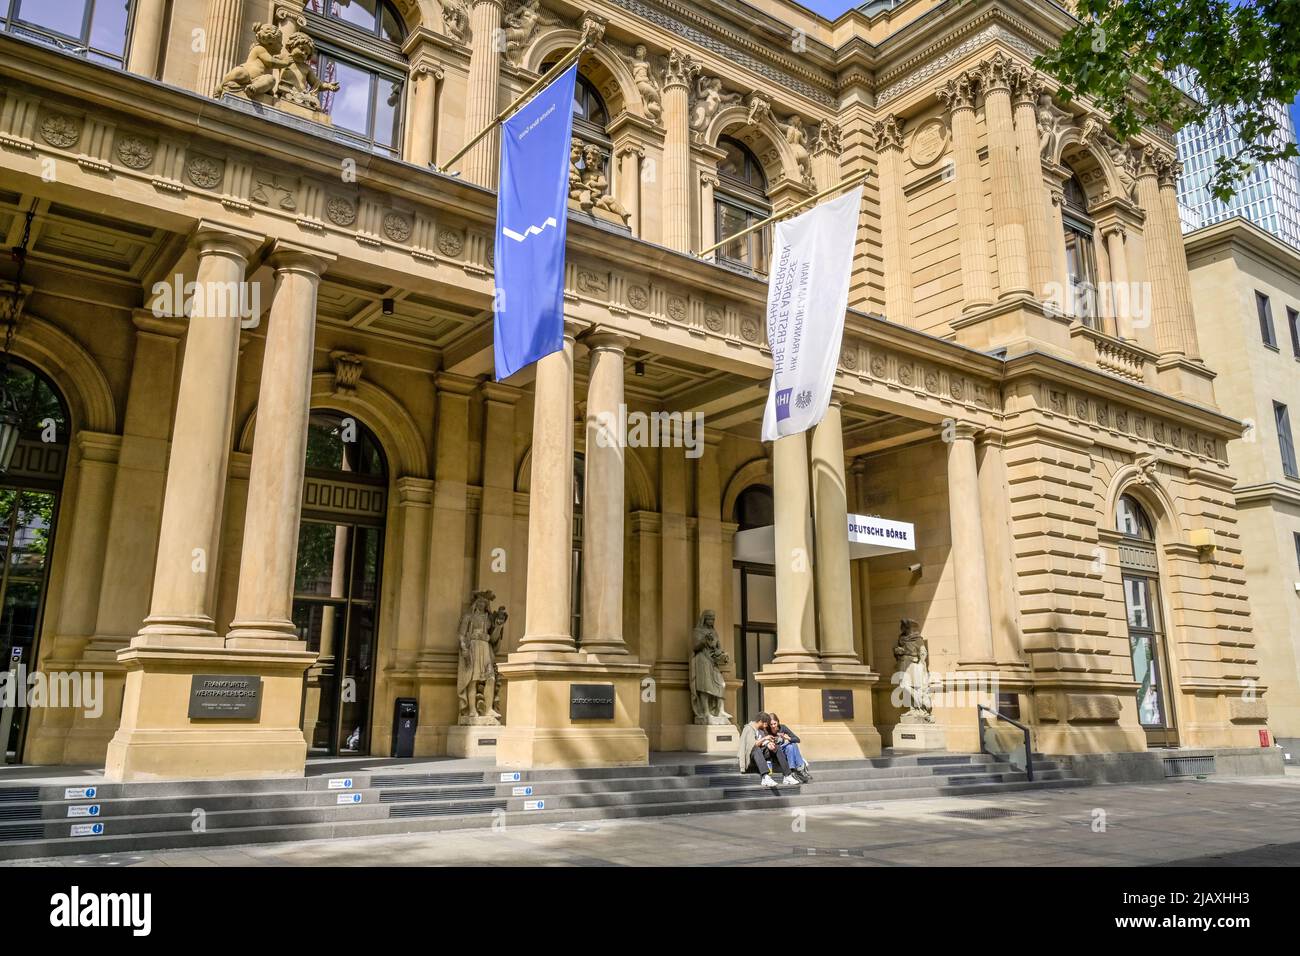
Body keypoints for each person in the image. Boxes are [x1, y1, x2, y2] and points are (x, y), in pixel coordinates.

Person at [737, 712, 799, 788]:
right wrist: (765, 738)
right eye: (766, 723)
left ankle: (787, 776)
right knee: (756, 749)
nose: (767, 726)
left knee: (776, 747)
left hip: (761, 755)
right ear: (760, 721)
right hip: (751, 756)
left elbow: (764, 742)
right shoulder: (749, 728)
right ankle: (765, 777)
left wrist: (769, 745)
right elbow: (753, 745)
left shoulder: (761, 730)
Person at [766, 713, 812, 783]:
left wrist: (788, 738)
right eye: (771, 724)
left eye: (774, 723)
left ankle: (793, 770)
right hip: (776, 756)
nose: (773, 726)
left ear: (778, 722)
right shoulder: (767, 731)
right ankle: (800, 768)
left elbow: (797, 739)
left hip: (786, 753)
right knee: (791, 745)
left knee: (792, 744)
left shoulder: (783, 728)